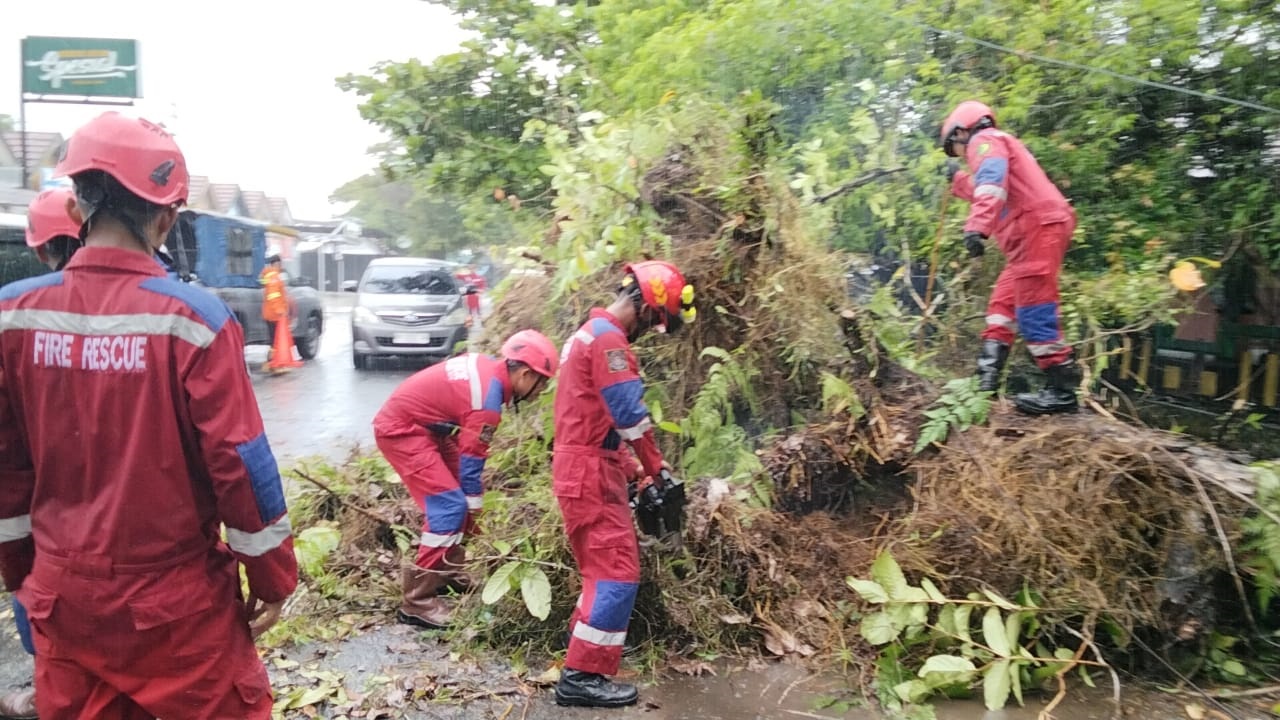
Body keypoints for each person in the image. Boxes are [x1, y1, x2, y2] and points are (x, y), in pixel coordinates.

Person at [0, 111, 297, 719]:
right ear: (165, 218)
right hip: (175, 608)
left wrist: (25, 577)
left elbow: (6, 470)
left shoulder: (12, 317)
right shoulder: (195, 321)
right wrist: (271, 578)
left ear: (77, 209)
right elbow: (240, 465)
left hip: (63, 601)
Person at [551, 260, 695, 708]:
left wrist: (633, 471)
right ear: (648, 307)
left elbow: (595, 423)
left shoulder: (588, 334)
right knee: (616, 571)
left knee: (599, 570)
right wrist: (656, 468)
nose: (651, 331)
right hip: (590, 473)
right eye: (657, 321)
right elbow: (630, 417)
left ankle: (583, 653)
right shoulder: (609, 340)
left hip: (585, 464)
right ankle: (581, 677)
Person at [373, 329, 559, 629]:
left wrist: (473, 515)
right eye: (542, 383)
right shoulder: (486, 404)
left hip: (429, 427)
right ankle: (416, 601)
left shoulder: (489, 369)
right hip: (402, 430)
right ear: (525, 374)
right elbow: (471, 470)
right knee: (450, 507)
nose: (541, 391)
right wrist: (474, 518)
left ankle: (446, 572)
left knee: (459, 502)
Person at [940, 100, 1080, 415]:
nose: (960, 155)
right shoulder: (996, 144)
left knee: (1034, 307)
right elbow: (990, 185)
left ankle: (1062, 391)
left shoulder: (984, 140)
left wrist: (976, 228)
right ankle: (986, 381)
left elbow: (991, 183)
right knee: (1001, 309)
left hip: (1036, 228)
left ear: (961, 131)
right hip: (1032, 232)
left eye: (955, 147)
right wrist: (958, 180)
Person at [0, 189, 79, 720]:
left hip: (45, 523)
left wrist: (14, 567)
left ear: (43, 248)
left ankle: (48, 688)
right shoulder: (150, 307)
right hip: (136, 540)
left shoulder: (14, 313)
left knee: (39, 602)